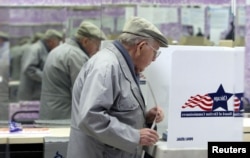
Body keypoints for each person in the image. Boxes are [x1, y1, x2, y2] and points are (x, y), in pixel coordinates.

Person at [67, 16, 168, 158]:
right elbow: (91, 117)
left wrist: (146, 118)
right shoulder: (107, 67)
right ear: (141, 47)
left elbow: (117, 111)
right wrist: (134, 136)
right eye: (155, 52)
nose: (154, 58)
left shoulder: (123, 67)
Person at [39, 21, 107, 120]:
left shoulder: (58, 50)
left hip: (50, 112)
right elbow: (84, 91)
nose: (98, 49)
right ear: (85, 41)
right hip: (64, 115)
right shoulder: (76, 56)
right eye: (97, 45)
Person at [18, 29, 63, 101]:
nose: (58, 46)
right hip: (31, 95)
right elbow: (29, 69)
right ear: (51, 41)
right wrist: (47, 78)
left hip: (38, 95)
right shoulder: (35, 49)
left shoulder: (45, 50)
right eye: (58, 43)